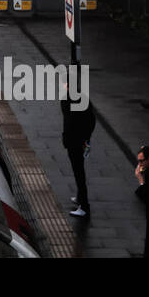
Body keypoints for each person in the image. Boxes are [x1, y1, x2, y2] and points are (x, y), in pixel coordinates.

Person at [61, 86, 96, 218]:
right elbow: (92, 120)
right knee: (80, 170)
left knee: (78, 172)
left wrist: (67, 139)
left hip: (74, 143)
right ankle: (80, 198)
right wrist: (87, 138)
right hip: (83, 142)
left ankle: (84, 206)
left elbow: (68, 122)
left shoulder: (67, 100)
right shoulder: (83, 98)